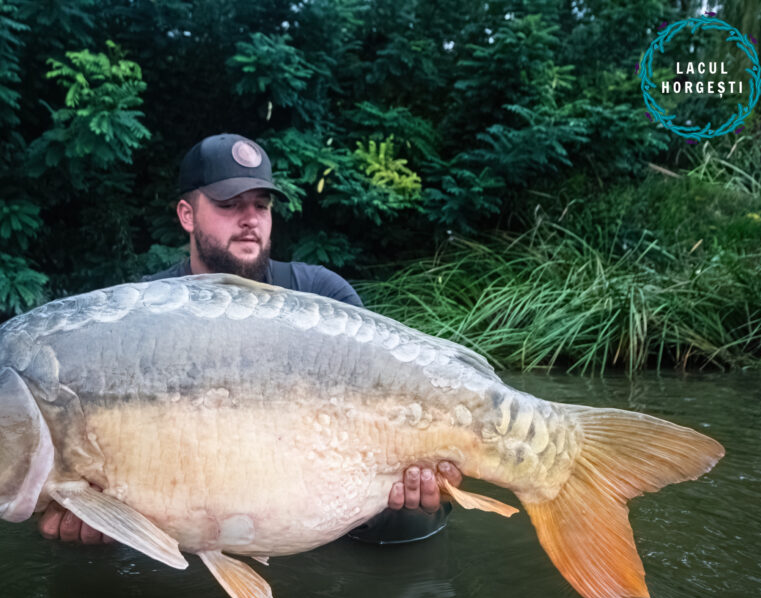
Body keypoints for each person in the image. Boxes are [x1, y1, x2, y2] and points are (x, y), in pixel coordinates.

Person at [39, 133, 462, 546]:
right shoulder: (141, 319)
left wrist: (413, 502)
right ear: (186, 215)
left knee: (413, 522)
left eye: (261, 205)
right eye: (229, 205)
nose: (250, 219)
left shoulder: (324, 298)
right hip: (194, 530)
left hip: (325, 526)